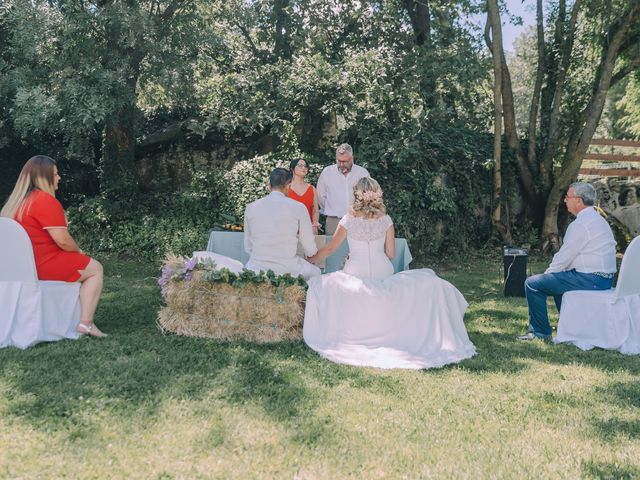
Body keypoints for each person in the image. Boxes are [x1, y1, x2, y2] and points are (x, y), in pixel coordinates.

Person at [303, 177, 476, 369]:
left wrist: (310, 260)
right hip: (383, 270)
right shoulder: (386, 220)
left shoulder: (347, 221)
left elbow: (328, 250)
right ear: (377, 194)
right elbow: (391, 254)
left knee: (323, 283)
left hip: (356, 271)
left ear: (356, 196)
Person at [0, 155, 106, 337]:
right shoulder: (44, 201)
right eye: (55, 174)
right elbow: (63, 241)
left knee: (85, 264)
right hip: (43, 265)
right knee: (96, 268)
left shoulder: (16, 204)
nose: (59, 178)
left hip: (22, 268)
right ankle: (86, 323)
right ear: (43, 177)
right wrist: (79, 251)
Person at [518, 182, 617, 341]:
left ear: (578, 200)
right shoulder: (599, 220)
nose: (565, 201)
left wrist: (547, 276)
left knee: (533, 284)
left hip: (590, 279)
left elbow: (563, 257)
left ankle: (540, 332)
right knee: (559, 281)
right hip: (604, 279)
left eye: (567, 197)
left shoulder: (581, 224)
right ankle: (571, 327)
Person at [243, 168, 321, 280]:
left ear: (269, 185)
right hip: (288, 268)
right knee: (316, 272)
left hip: (256, 267)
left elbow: (248, 246)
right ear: (288, 186)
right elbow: (308, 245)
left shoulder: (250, 207)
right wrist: (311, 254)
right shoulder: (298, 207)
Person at [316, 143, 369, 234]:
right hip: (334, 220)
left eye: (345, 161)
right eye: (339, 161)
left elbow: (368, 195)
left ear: (352, 158)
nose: (341, 164)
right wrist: (332, 209)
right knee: (333, 248)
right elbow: (320, 196)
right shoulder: (327, 172)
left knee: (357, 248)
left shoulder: (362, 173)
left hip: (357, 220)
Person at [287, 158, 321, 234]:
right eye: (300, 165)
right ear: (292, 169)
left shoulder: (312, 189)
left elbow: (315, 210)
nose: (304, 168)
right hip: (289, 231)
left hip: (307, 231)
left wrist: (315, 225)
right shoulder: (285, 188)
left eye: (305, 166)